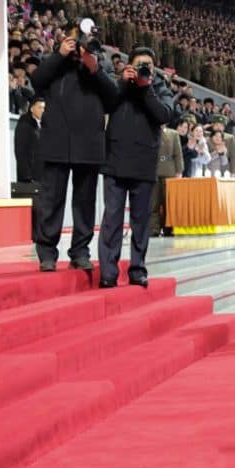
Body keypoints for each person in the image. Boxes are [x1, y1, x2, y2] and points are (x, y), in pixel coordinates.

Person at [31, 29, 116, 272]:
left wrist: (94, 67)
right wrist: (59, 55)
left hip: (89, 143)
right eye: (75, 40)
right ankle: (47, 253)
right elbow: (37, 81)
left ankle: (80, 252)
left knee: (85, 202)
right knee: (51, 200)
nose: (79, 46)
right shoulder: (56, 63)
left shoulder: (99, 64)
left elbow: (113, 97)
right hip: (56, 141)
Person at [97, 47, 173, 288]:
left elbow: (164, 115)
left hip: (144, 163)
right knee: (112, 219)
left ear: (154, 68)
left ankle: (137, 269)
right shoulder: (118, 83)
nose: (143, 68)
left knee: (141, 222)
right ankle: (108, 272)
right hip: (115, 160)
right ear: (129, 64)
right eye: (139, 64)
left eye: (148, 65)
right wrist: (123, 82)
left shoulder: (159, 87)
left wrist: (146, 87)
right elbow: (105, 103)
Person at [150, 122, 183, 237]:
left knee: (168, 203)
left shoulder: (173, 134)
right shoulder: (151, 131)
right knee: (154, 202)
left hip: (170, 171)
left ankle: (169, 228)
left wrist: (179, 171)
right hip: (154, 170)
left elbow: (178, 153)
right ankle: (154, 229)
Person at [14, 97, 45, 183]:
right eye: (39, 107)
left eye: (43, 108)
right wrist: (27, 176)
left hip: (41, 175)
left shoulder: (43, 124)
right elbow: (20, 151)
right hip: (29, 178)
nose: (42, 110)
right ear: (31, 109)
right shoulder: (24, 124)